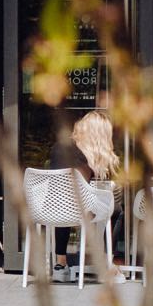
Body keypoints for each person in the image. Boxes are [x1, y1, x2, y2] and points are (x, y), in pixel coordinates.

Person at [49, 109, 119, 276]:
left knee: (63, 202)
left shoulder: (59, 147)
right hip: (80, 208)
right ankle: (105, 260)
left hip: (50, 208)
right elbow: (109, 182)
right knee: (116, 210)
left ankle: (60, 263)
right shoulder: (89, 156)